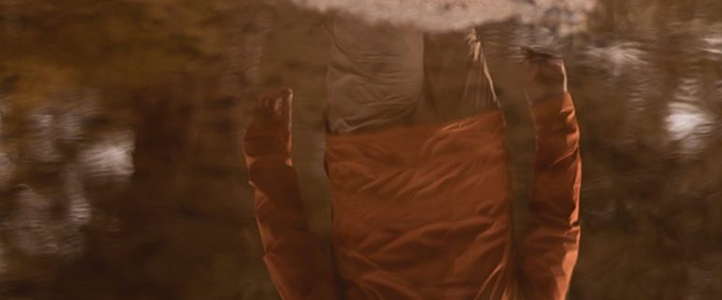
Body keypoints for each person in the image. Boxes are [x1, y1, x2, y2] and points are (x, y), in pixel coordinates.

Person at [244, 20, 581, 299]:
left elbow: (557, 229)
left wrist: (553, 107)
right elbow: (290, 255)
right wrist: (266, 145)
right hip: (377, 150)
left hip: (462, 136)